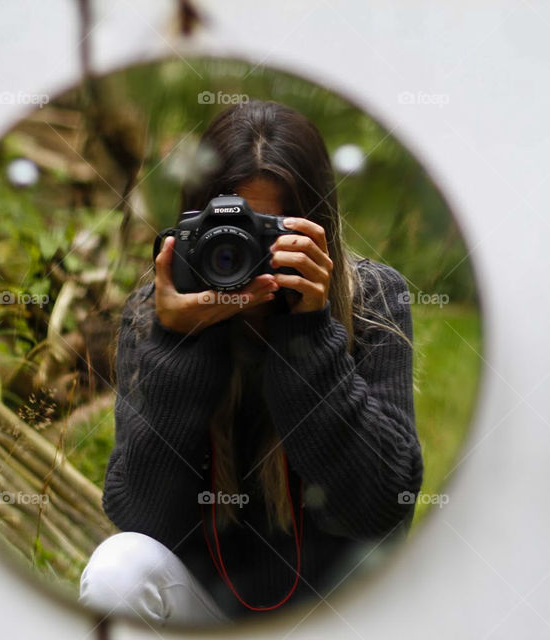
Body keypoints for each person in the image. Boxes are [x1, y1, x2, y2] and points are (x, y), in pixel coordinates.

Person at [79, 100, 424, 626]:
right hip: (209, 615)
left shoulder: (372, 299)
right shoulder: (155, 316)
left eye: (266, 233)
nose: (237, 254)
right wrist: (180, 346)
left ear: (318, 231)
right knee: (118, 568)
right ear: (188, 228)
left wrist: (308, 334)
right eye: (222, 234)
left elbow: (381, 509)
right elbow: (143, 519)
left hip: (337, 615)